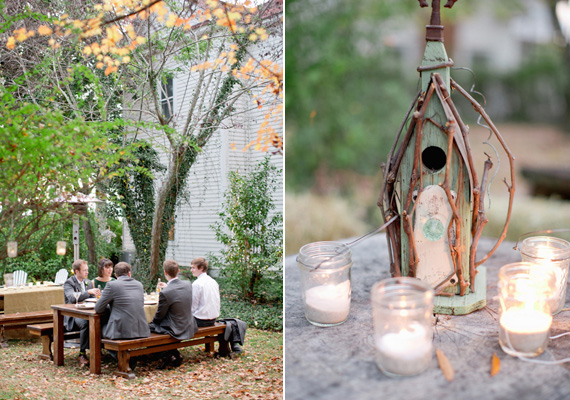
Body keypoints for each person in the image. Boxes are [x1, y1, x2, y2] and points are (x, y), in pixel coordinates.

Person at [95, 262, 150, 370]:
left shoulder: (112, 285)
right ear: (129, 273)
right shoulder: (139, 284)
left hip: (122, 329)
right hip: (141, 328)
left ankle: (121, 358)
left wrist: (110, 307)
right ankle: (127, 357)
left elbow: (98, 308)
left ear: (115, 275)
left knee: (98, 330)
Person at [150, 259, 198, 369]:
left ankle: (167, 355)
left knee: (150, 327)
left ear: (165, 272)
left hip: (176, 328)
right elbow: (177, 290)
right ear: (178, 271)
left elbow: (159, 316)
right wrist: (168, 286)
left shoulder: (165, 293)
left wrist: (152, 323)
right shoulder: (187, 284)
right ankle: (173, 353)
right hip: (189, 324)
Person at [63, 259, 101, 367]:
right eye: (84, 270)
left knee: (100, 319)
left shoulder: (87, 282)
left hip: (88, 311)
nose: (87, 272)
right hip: (74, 314)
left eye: (87, 270)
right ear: (76, 272)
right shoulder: (69, 283)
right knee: (85, 323)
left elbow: (92, 297)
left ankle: (98, 348)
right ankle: (82, 353)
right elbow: (71, 297)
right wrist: (87, 292)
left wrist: (98, 296)